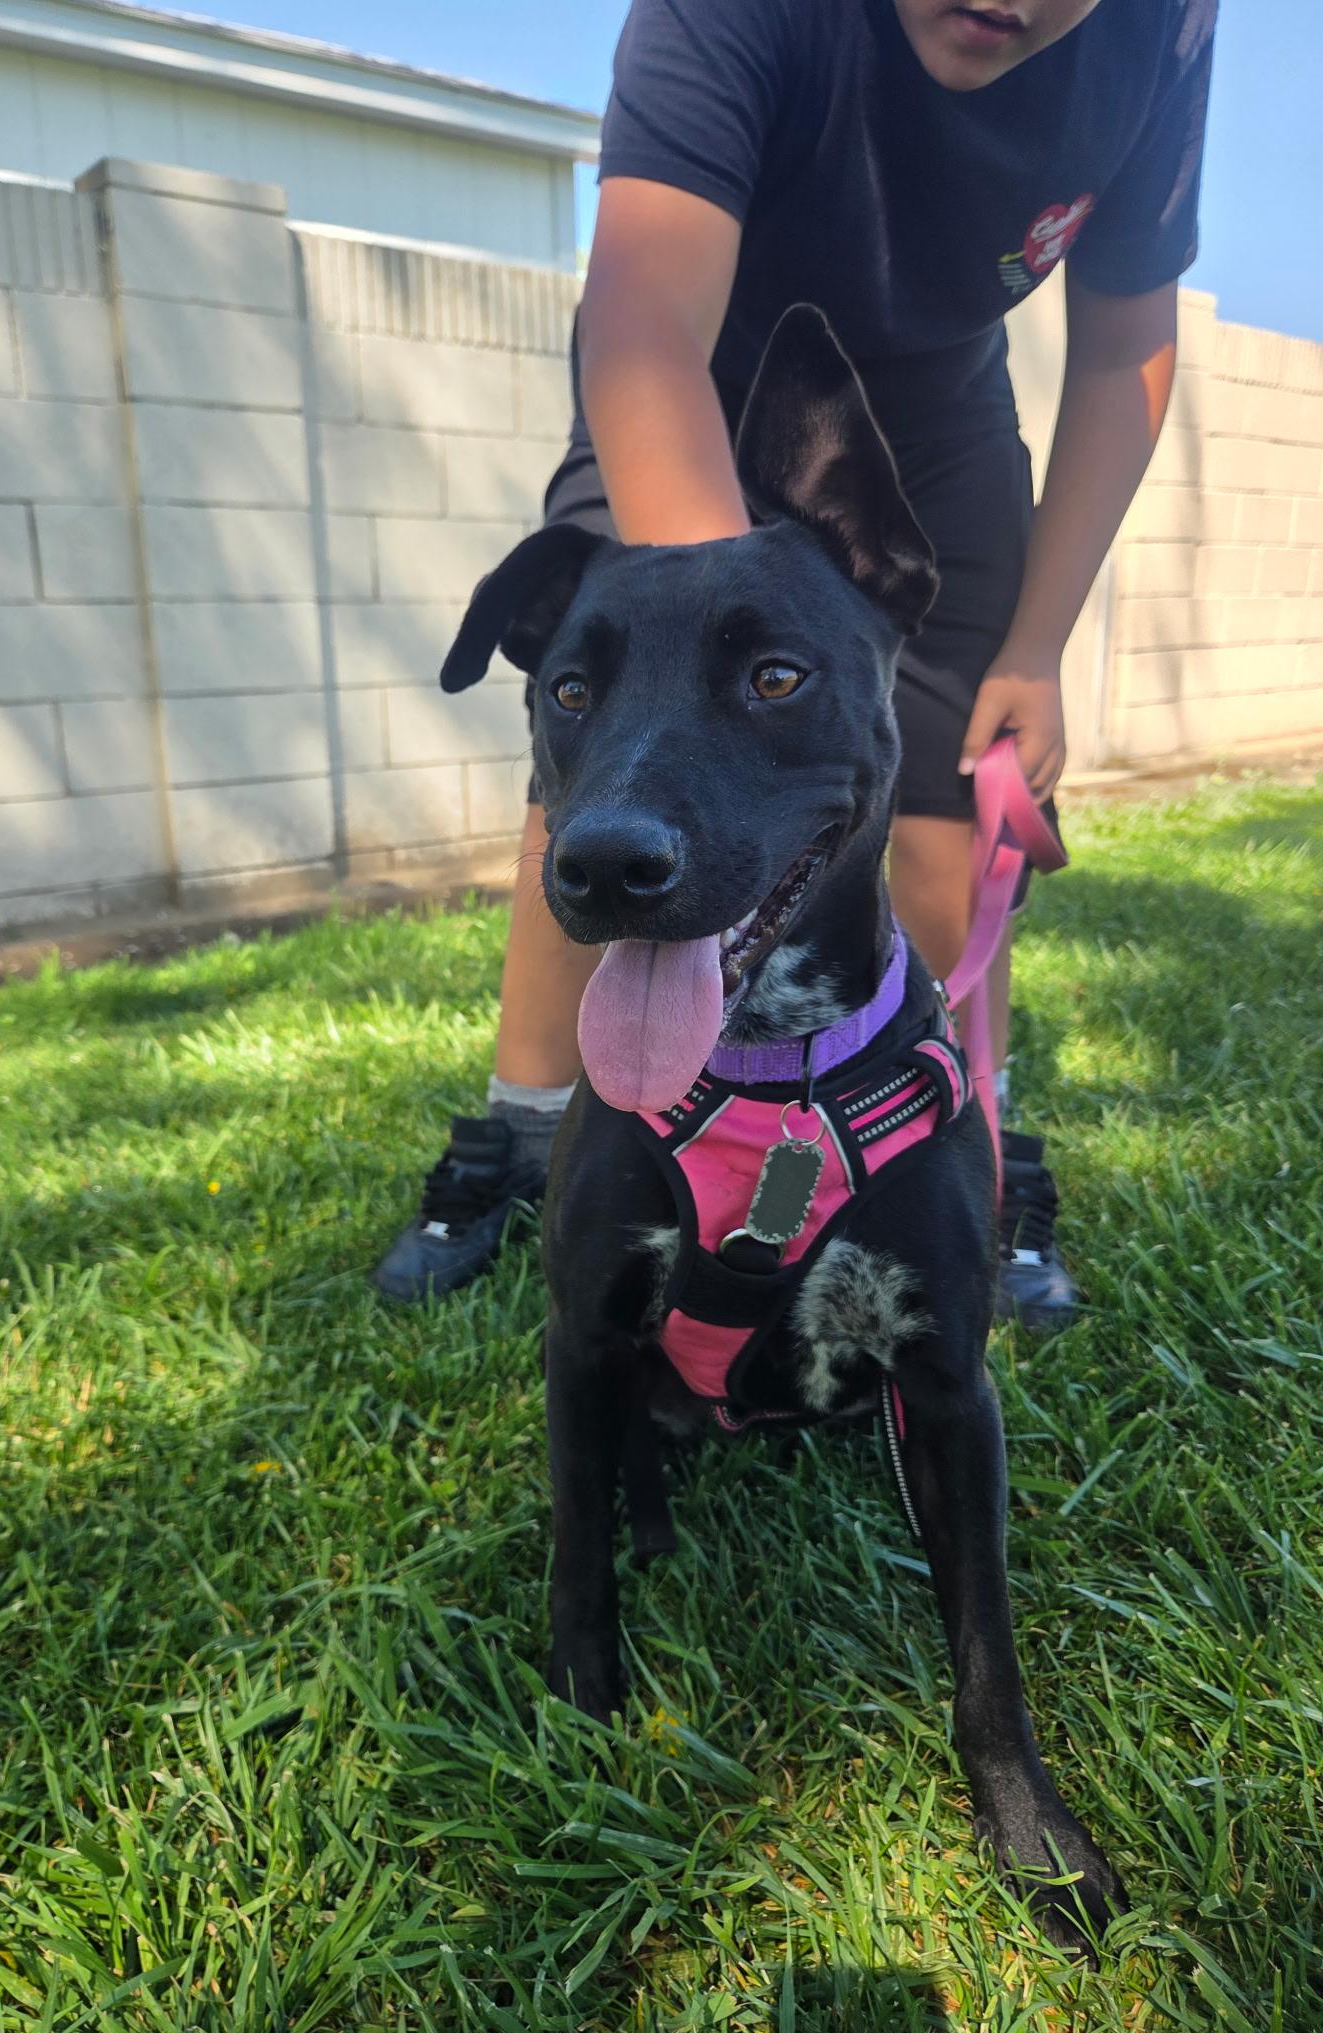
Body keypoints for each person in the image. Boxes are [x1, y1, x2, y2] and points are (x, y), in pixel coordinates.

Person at [375, 0, 1216, 1323]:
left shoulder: (1164, 34)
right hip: (689, 364)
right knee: (623, 773)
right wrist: (720, 683)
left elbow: (1124, 350)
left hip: (936, 417)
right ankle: (528, 1133)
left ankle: (931, 1141)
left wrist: (1038, 650)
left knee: (940, 807)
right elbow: (643, 321)